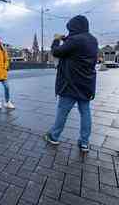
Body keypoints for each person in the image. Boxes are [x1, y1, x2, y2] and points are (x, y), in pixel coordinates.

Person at [44, 15, 98, 152]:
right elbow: (75, 44)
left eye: (70, 29)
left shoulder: (75, 40)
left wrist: (56, 40)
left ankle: (54, 136)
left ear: (74, 27)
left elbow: (57, 52)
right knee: (85, 113)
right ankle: (84, 143)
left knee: (63, 111)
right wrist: (65, 38)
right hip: (87, 85)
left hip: (70, 84)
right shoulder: (93, 40)